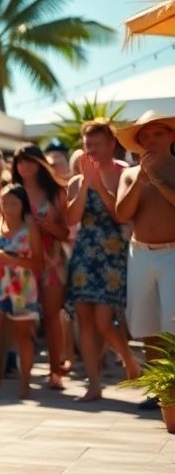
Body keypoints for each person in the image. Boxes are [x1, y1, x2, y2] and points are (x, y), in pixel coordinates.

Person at [67, 120, 141, 401]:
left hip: (113, 253)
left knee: (102, 320)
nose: (92, 151)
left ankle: (129, 359)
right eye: (88, 146)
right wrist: (86, 184)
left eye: (97, 145)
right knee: (85, 320)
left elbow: (120, 215)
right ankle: (94, 383)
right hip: (85, 253)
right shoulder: (77, 179)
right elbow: (72, 219)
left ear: (112, 144)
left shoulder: (125, 174)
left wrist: (99, 184)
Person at [115, 112, 175, 374]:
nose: (151, 140)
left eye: (157, 134)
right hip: (139, 254)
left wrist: (157, 180)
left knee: (172, 325)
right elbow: (122, 214)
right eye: (145, 135)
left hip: (172, 254)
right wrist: (140, 181)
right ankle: (157, 390)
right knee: (147, 325)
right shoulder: (129, 175)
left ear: (171, 136)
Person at [11, 144, 71, 389]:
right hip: (21, 263)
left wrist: (49, 226)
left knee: (51, 316)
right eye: (19, 161)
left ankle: (55, 370)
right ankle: (25, 372)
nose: (24, 166)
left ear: (40, 163)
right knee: (21, 318)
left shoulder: (55, 193)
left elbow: (67, 232)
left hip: (52, 261)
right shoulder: (12, 192)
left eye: (30, 161)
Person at [0, 185, 44, 398]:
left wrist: (9, 259)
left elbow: (38, 263)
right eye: (4, 202)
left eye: (14, 203)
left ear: (23, 204)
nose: (8, 207)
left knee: (23, 336)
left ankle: (25, 382)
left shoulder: (30, 229)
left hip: (23, 286)